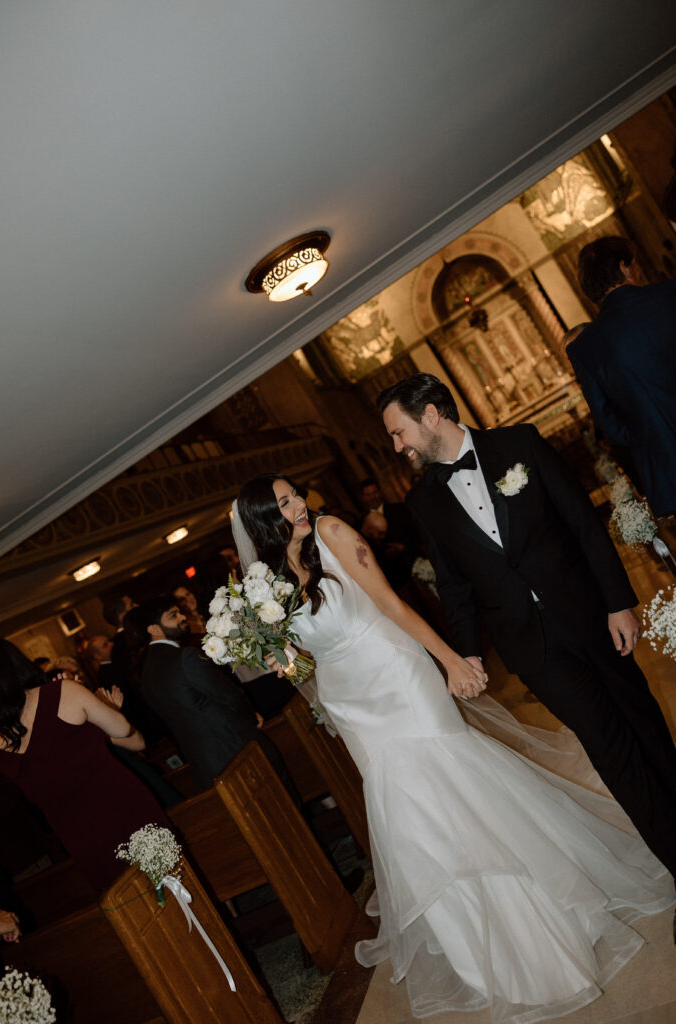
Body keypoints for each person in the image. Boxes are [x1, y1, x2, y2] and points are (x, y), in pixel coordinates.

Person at [235, 472, 673, 1023]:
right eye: (283, 503)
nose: (299, 503)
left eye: (296, 493)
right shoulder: (267, 584)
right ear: (261, 522)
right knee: (412, 822)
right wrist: (281, 657)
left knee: (455, 789)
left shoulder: (333, 531)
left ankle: (540, 928)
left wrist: (449, 660)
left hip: (397, 677)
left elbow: (392, 605)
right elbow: (302, 656)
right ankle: (481, 956)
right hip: (349, 704)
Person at [377, 373, 676, 878]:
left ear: (431, 415)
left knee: (641, 717)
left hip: (588, 615)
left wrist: (617, 603)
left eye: (398, 431)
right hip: (532, 646)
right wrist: (467, 654)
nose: (397, 445)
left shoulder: (520, 443)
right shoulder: (423, 502)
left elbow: (583, 523)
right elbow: (454, 586)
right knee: (607, 744)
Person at [0, 639, 168, 891]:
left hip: (78, 833)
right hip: (121, 807)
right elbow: (123, 728)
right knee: (171, 880)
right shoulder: (62, 692)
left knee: (131, 904)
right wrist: (100, 710)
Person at [567, 236, 676, 517]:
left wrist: (649, 434)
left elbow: (609, 425)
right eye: (634, 264)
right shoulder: (670, 295)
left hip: (667, 473)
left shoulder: (585, 348)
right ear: (625, 268)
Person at [133, 599, 289, 791]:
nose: (182, 617)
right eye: (173, 615)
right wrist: (251, 716)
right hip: (236, 747)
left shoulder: (146, 675)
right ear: (154, 629)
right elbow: (228, 696)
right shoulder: (184, 657)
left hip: (205, 764)